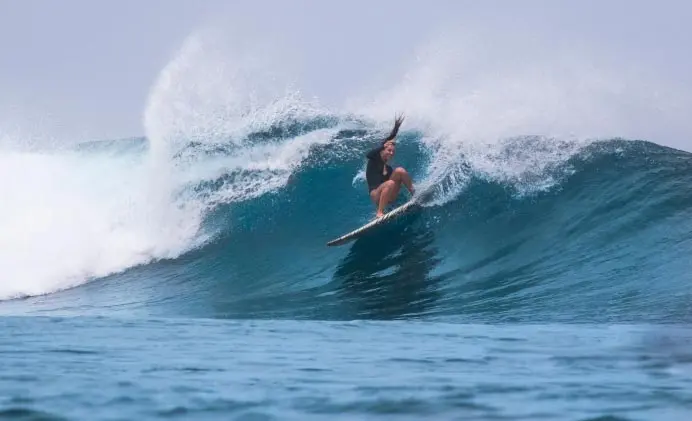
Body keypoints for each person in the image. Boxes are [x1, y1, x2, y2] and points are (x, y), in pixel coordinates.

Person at [365, 114, 415, 218]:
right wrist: (382, 146)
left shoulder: (388, 168)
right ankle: (379, 212)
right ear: (383, 150)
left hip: (388, 195)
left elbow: (395, 183)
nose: (391, 153)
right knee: (390, 183)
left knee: (400, 170)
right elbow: (368, 155)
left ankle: (415, 194)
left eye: (393, 151)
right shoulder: (374, 159)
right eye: (389, 150)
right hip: (376, 195)